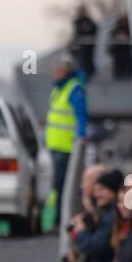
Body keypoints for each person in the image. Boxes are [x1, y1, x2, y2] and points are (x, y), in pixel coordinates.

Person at [45, 57, 87, 224]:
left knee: (61, 185)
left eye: (57, 70)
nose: (54, 74)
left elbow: (81, 115)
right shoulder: (58, 89)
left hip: (66, 146)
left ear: (65, 72)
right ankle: (57, 219)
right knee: (57, 185)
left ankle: (60, 220)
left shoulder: (74, 89)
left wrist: (81, 136)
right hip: (55, 145)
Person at [71, 4, 98, 78]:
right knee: (82, 60)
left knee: (89, 60)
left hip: (89, 45)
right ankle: (83, 74)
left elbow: (94, 28)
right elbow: (77, 32)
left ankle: (89, 73)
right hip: (81, 45)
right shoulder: (77, 21)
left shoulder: (89, 20)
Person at [108, 14, 132, 81]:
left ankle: (127, 75)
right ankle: (119, 76)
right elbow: (111, 40)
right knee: (119, 67)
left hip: (126, 50)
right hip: (118, 51)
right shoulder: (115, 30)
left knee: (127, 66)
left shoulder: (129, 28)